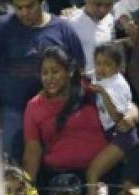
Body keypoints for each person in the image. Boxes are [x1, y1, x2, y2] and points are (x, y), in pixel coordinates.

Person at [0, 0, 85, 161]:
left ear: (42, 3)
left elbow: (79, 70)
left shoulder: (64, 30)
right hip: (12, 112)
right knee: (10, 167)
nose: (24, 12)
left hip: (55, 112)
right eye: (19, 8)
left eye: (30, 6)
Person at [21, 46, 108, 186]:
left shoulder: (90, 90)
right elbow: (32, 152)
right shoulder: (34, 106)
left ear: (70, 71)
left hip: (102, 174)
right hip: (59, 178)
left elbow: (122, 102)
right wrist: (29, 192)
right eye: (44, 73)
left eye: (55, 72)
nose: (49, 78)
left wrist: (133, 111)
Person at [83, 42, 138, 195]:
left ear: (118, 66)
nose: (102, 68)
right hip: (107, 134)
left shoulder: (118, 85)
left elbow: (118, 118)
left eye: (107, 65)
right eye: (98, 63)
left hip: (122, 135)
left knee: (93, 173)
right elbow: (85, 76)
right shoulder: (98, 76)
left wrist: (103, 93)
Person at [66, 0, 113, 74]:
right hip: (81, 81)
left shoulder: (110, 19)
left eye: (108, 5)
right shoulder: (69, 22)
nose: (103, 10)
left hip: (106, 80)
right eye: (98, 4)